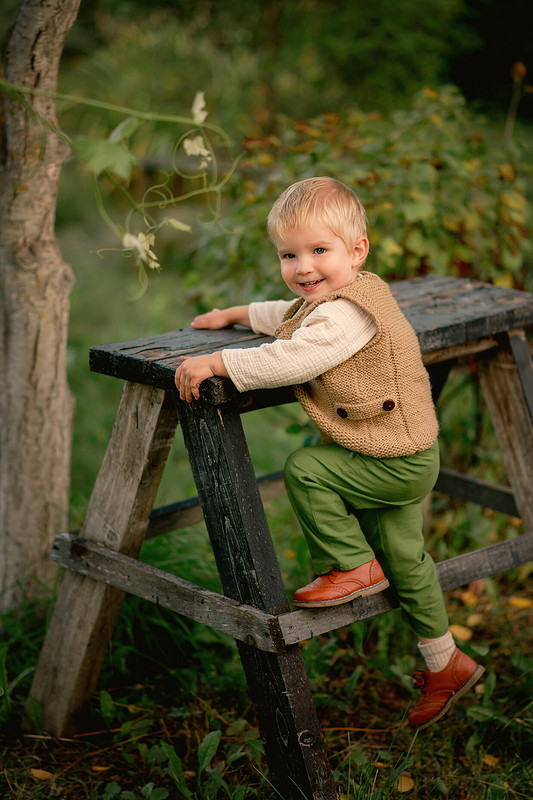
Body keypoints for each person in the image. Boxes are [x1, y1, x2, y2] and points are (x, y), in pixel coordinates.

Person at [174, 176, 484, 729]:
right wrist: (236, 314)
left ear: (356, 250)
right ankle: (447, 663)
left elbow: (292, 357)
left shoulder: (346, 315)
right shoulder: (342, 296)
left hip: (395, 459)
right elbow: (290, 316)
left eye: (319, 251)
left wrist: (219, 361)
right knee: (408, 559)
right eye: (289, 255)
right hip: (404, 450)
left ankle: (350, 564)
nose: (303, 267)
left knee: (307, 467)